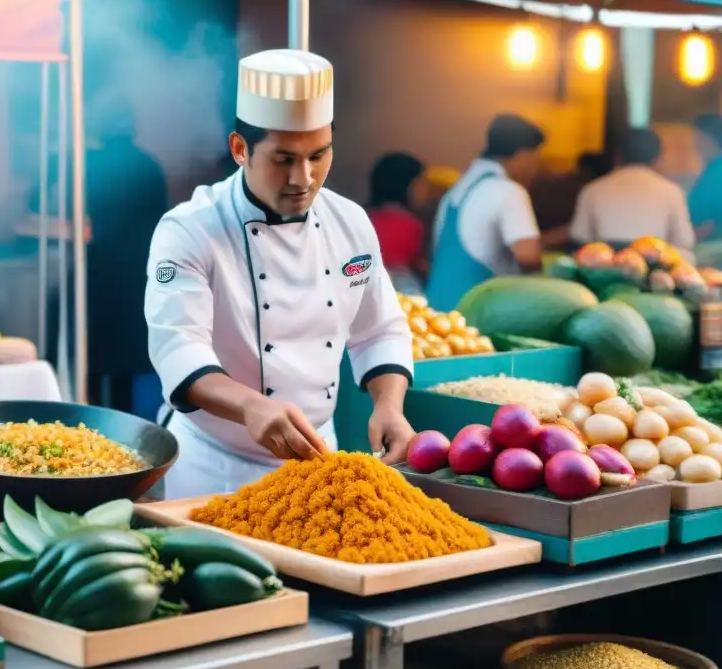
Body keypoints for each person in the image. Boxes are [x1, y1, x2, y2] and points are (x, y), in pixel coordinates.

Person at [145, 49, 415, 499]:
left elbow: (379, 330)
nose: (303, 178)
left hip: (316, 463)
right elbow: (178, 348)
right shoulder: (189, 229)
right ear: (239, 149)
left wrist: (389, 406)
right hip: (213, 468)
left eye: (318, 155)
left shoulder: (350, 223)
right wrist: (251, 406)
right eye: (283, 159)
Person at [86, 119, 169, 415]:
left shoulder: (94, 164)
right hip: (145, 268)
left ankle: (100, 420)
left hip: (106, 273)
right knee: (138, 355)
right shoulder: (151, 165)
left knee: (101, 357)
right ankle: (139, 424)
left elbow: (85, 226)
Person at [426, 114, 545, 313]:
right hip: (477, 313)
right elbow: (528, 256)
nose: (534, 170)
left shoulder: (456, 190)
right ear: (522, 154)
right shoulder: (508, 190)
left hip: (436, 311)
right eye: (534, 160)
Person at [569, 127, 695, 251]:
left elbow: (579, 235)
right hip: (655, 267)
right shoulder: (672, 191)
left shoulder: (592, 189)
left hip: (607, 267)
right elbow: (685, 241)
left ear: (617, 155)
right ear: (658, 158)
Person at [365, 152, 429, 293]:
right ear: (406, 186)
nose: (425, 191)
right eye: (420, 184)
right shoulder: (409, 224)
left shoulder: (366, 217)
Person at [689, 113, 722, 242]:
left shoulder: (717, 173)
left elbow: (709, 225)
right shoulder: (710, 170)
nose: (695, 144)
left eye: (698, 138)